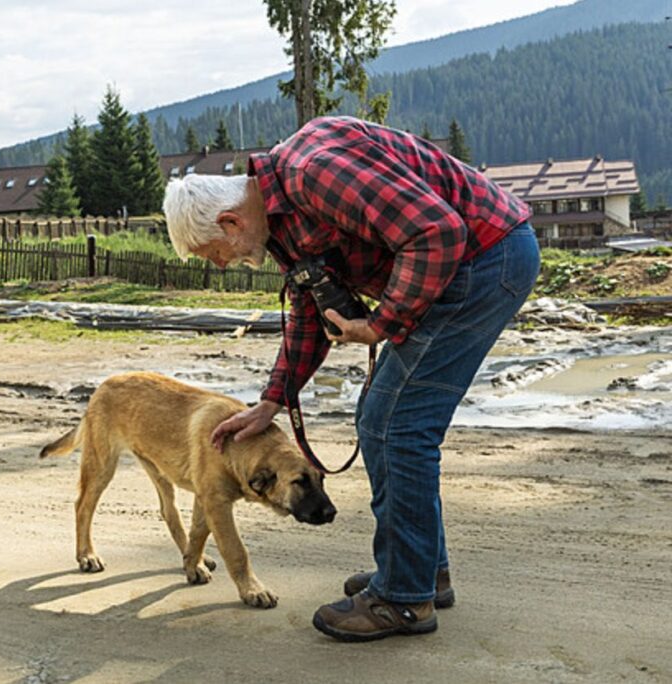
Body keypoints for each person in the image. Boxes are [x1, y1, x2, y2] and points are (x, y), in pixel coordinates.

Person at [162, 116, 540, 642]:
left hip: (483, 257)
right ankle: (423, 570)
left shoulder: (311, 175)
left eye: (213, 255)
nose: (222, 265)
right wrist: (272, 402)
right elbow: (310, 312)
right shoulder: (281, 222)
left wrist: (381, 325)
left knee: (396, 425)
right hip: (460, 266)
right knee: (380, 419)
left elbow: (437, 231)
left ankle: (406, 598)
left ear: (229, 223)